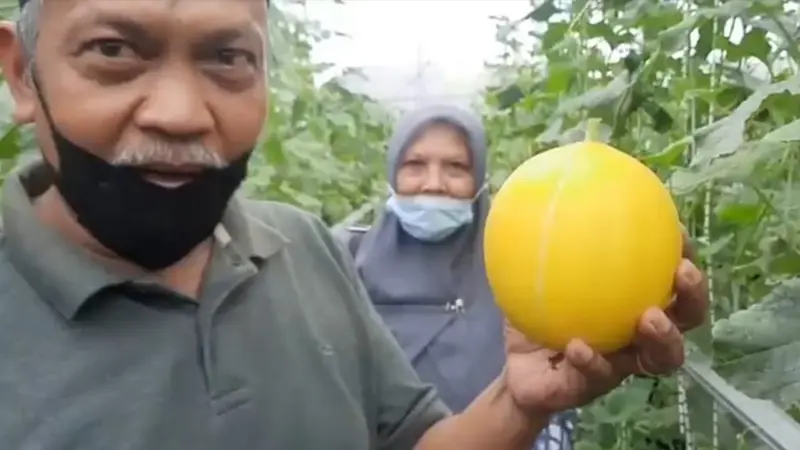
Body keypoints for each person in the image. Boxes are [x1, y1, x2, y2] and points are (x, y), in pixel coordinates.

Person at [0, 1, 709, 449]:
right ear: (23, 73)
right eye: (115, 51)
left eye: (229, 58)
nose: (181, 111)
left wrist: (515, 403)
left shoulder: (304, 249)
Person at [342, 104, 577, 449]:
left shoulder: (523, 262)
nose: (434, 184)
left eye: (455, 167)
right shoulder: (347, 260)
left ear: (479, 177)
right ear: (393, 173)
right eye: (415, 165)